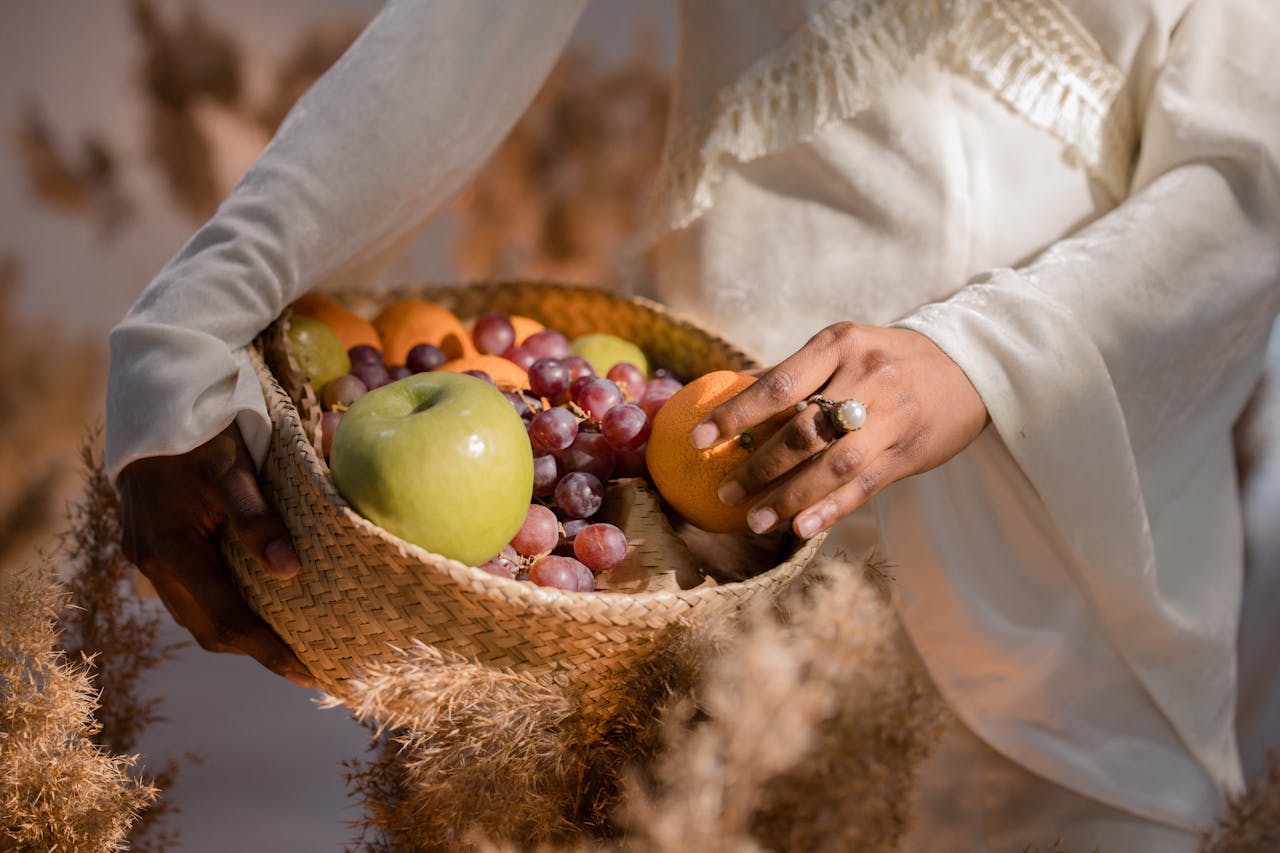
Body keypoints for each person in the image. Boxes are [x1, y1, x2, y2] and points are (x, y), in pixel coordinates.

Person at [107, 0, 1280, 848]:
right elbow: (459, 32)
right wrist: (190, 323)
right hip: (708, 519)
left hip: (1068, 554)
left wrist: (978, 359)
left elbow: (1245, 178)